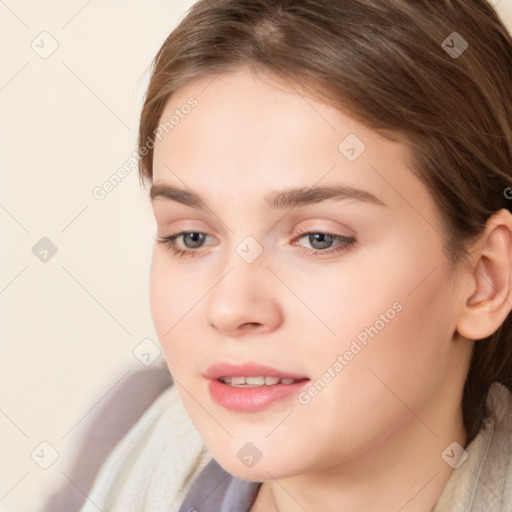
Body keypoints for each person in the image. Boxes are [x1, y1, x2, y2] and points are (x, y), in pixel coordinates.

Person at [79, 1, 512, 510]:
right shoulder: (140, 443)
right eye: (192, 237)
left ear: (485, 279)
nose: (230, 308)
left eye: (319, 238)